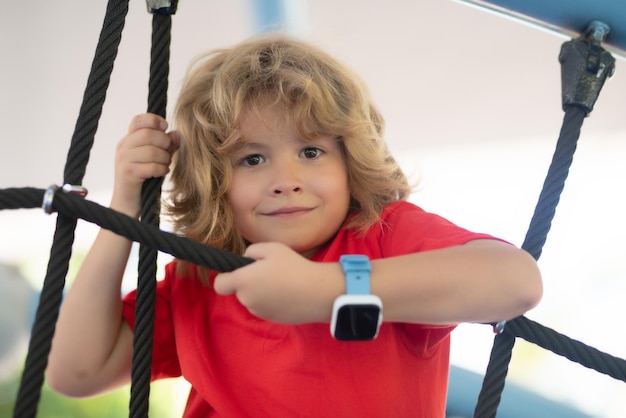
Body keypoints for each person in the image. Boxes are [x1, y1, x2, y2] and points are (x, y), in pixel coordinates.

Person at [47, 34, 542, 417]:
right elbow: (75, 371)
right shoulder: (201, 278)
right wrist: (121, 214)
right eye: (252, 158)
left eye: (311, 151)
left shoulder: (381, 236)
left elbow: (515, 281)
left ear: (351, 161)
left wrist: (327, 289)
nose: (285, 180)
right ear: (214, 180)